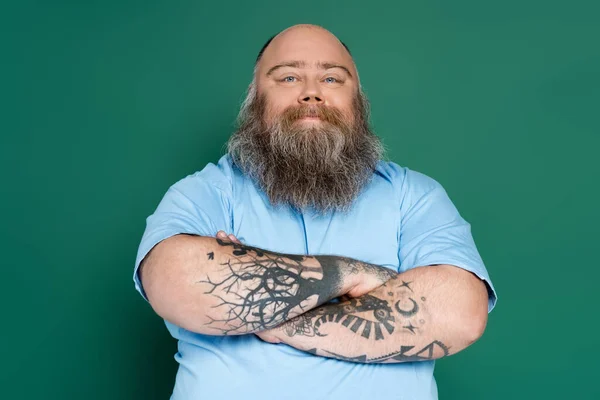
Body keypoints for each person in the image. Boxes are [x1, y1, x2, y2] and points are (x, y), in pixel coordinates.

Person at [134, 24, 497, 400]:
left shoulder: (414, 196)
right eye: (289, 77)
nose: (311, 93)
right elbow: (173, 282)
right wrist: (355, 275)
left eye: (331, 78)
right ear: (255, 97)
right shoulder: (208, 191)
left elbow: (459, 315)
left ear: (359, 100)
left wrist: (270, 314)